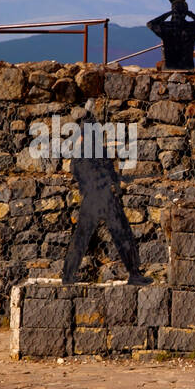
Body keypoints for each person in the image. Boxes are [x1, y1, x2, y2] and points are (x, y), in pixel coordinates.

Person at [61, 103, 150, 286]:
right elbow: (91, 171)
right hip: (99, 196)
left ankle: (69, 276)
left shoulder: (89, 149)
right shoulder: (86, 150)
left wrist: (113, 186)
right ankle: (133, 273)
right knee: (116, 234)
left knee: (108, 235)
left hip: (98, 197)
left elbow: (104, 171)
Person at [147, 0, 195, 71]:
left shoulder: (166, 27)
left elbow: (150, 24)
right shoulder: (191, 27)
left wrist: (168, 13)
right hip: (187, 67)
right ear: (185, 13)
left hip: (170, 67)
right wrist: (190, 14)